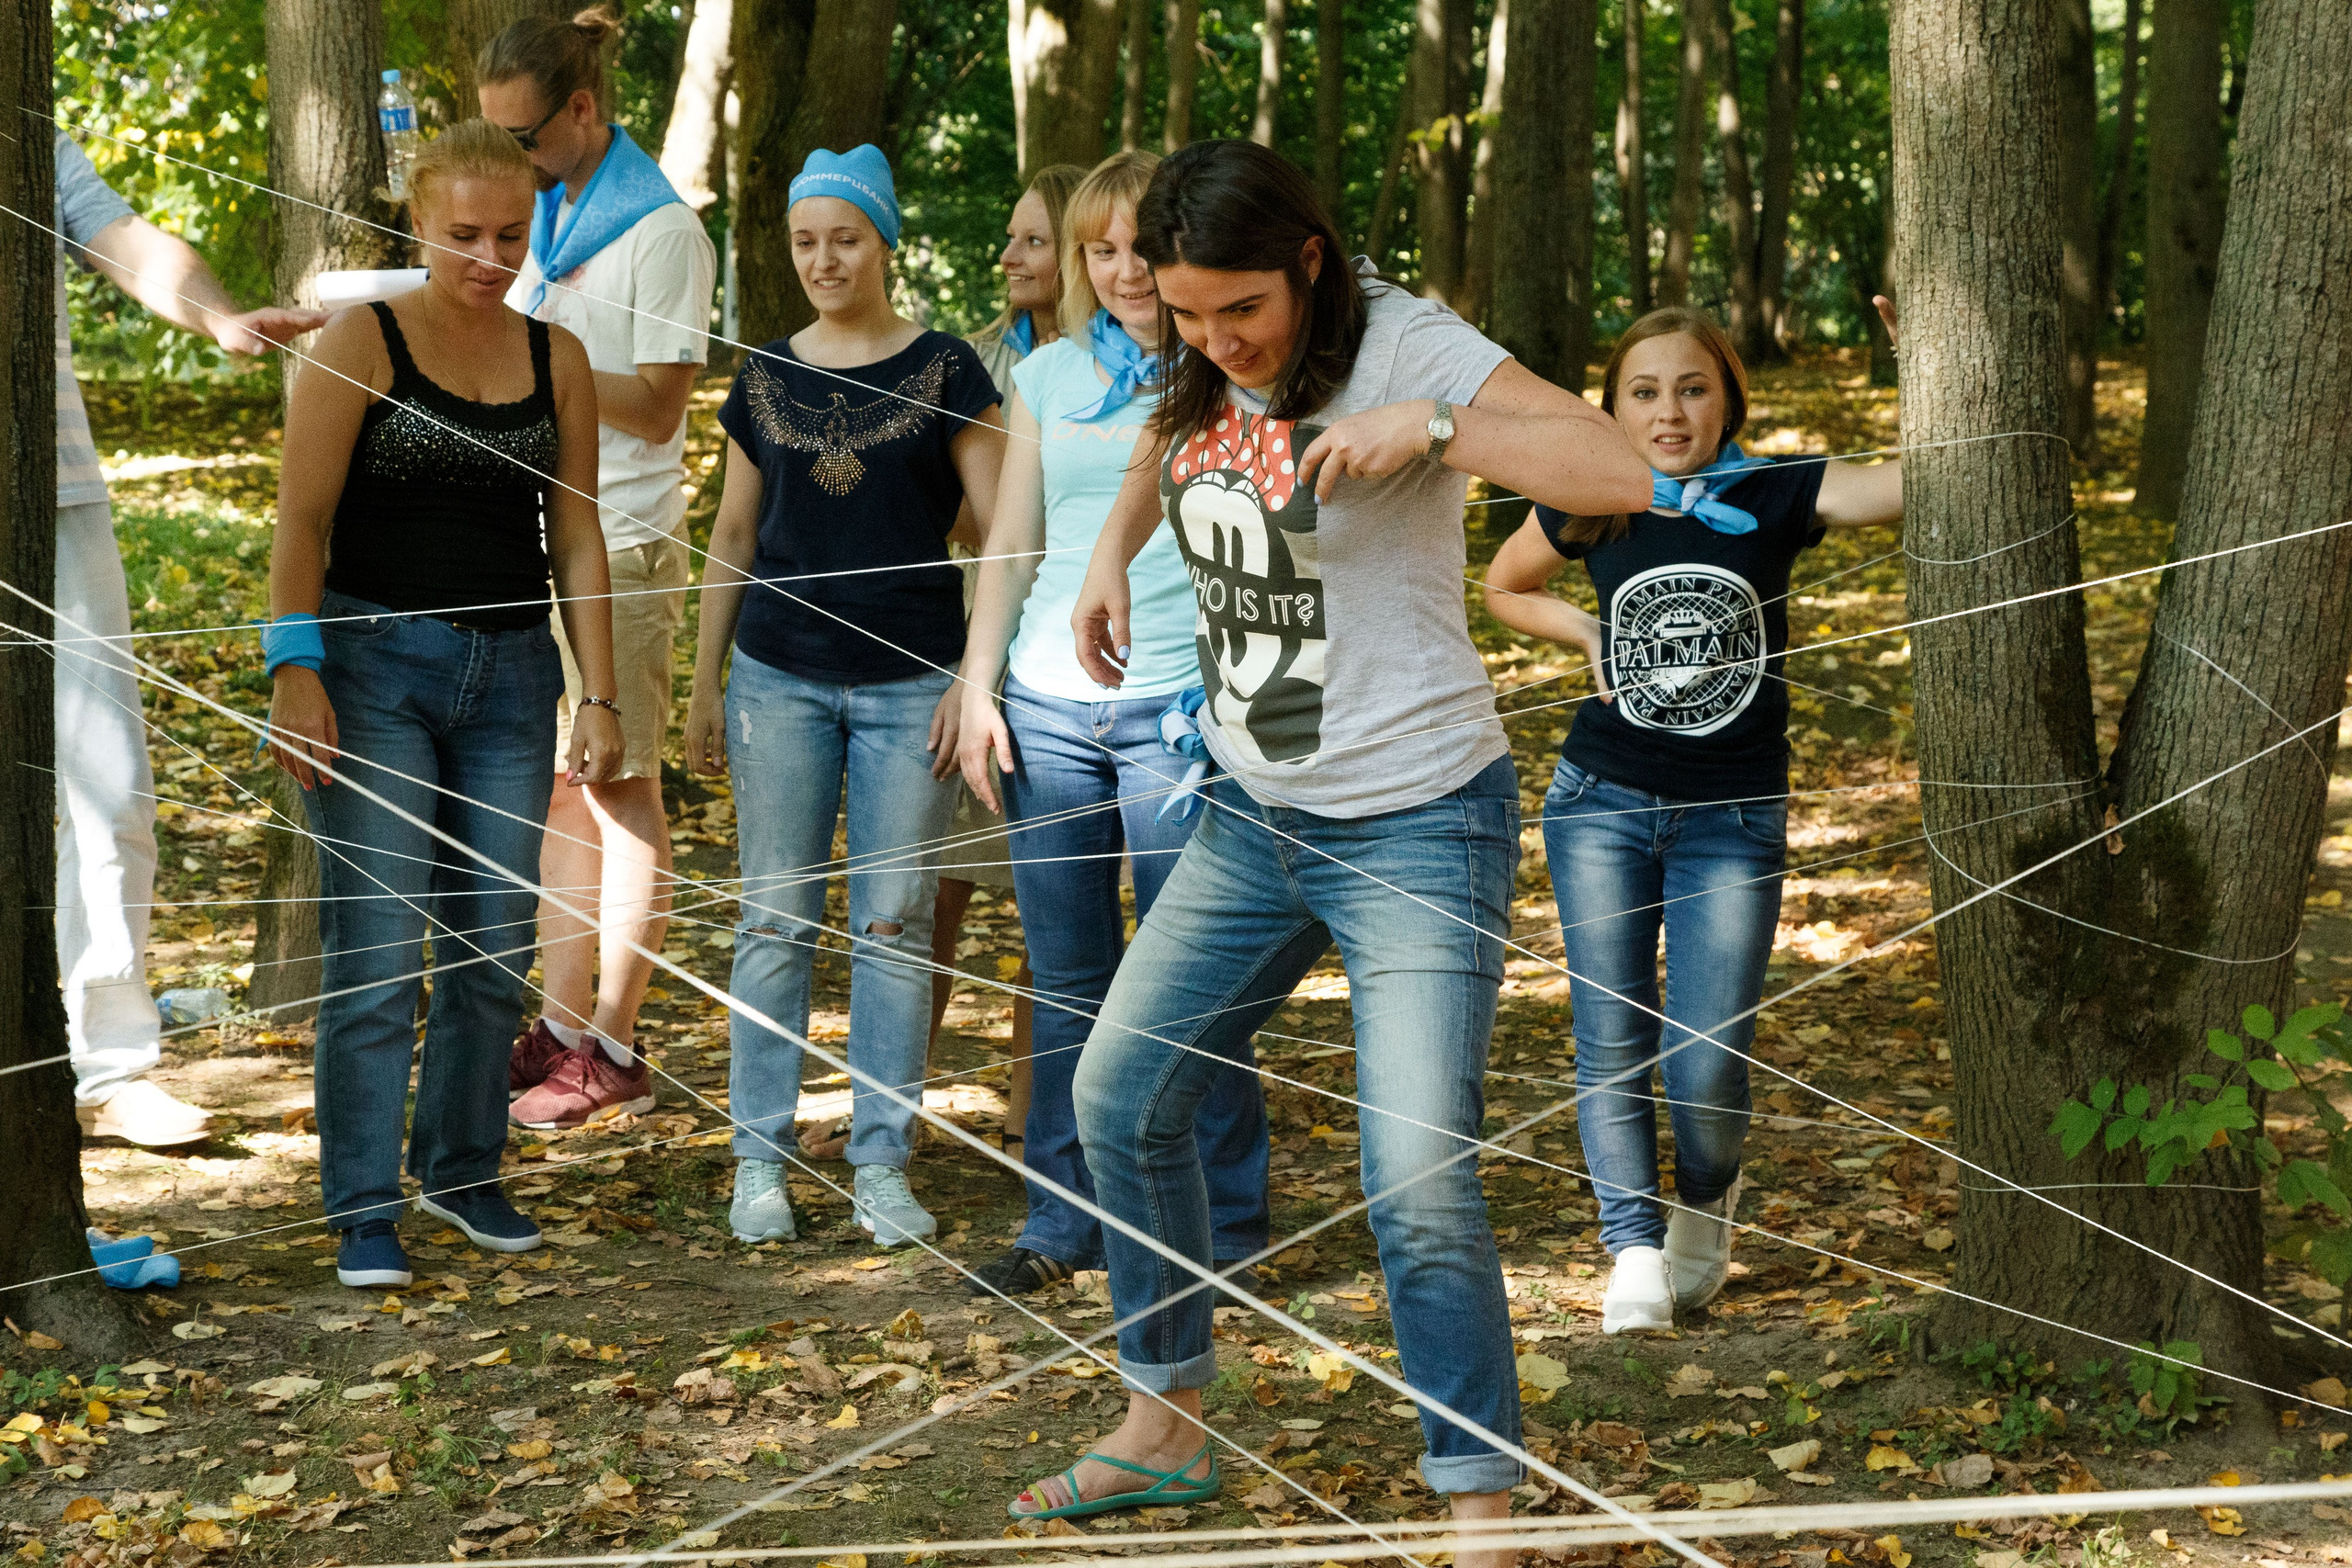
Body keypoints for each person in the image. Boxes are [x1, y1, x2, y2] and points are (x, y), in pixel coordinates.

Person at [1012, 141, 1651, 1543]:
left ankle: (1479, 1509)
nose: (1214, 340)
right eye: (1186, 313)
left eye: (1239, 309)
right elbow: (1171, 429)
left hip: (1420, 819)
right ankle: (1164, 1422)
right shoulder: (1202, 353)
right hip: (1251, 816)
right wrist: (1114, 551)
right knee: (1122, 1096)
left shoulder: (1407, 342)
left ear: (1308, 260)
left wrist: (1434, 425)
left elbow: (1623, 469)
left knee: (1415, 1177)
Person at [1481, 303, 1904, 1334]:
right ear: (1613, 408)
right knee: (1609, 1036)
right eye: (1643, 392)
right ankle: (1631, 1247)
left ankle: (1706, 1201)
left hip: (1733, 818)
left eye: (1691, 388)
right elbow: (1503, 585)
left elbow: (1908, 485)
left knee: (1707, 1058)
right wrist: (1580, 626)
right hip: (1599, 802)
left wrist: (1921, 364)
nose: (1668, 412)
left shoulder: (1776, 490)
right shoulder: (1593, 496)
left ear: (1728, 401)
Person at [263, 120, 624, 1290]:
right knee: (378, 947)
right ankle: (363, 1206)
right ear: (417, 222)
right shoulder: (361, 340)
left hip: (513, 679)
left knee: (493, 942)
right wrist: (293, 668)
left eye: (512, 235)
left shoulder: (556, 355)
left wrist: (598, 690)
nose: (488, 256)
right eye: (463, 233)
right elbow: (301, 519)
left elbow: (576, 530)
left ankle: (462, 1171)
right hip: (373, 671)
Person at [956, 150, 1269, 1299]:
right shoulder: (1044, 375)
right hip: (1049, 712)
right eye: (1102, 251)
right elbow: (1011, 542)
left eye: (1144, 247)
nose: (1126, 271)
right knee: (1066, 975)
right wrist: (978, 686)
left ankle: (1225, 1225)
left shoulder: (1229, 372)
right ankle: (1064, 1217)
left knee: (1195, 980)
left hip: (1182, 717)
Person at [682, 145, 1005, 1251]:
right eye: (805, 242)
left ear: (884, 243)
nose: (825, 260)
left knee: (892, 922)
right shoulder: (764, 374)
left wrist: (977, 677)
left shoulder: (949, 368)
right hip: (777, 678)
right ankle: (757, 1160)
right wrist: (704, 682)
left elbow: (995, 530)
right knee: (774, 917)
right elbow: (733, 532)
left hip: (914, 683)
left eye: (846, 239)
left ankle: (881, 1163)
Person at [798, 166, 1081, 1166]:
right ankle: (890, 1104)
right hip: (966, 648)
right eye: (1010, 236)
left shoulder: (1120, 363)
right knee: (928, 890)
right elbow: (965, 515)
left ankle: (1037, 1118)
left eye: (1033, 240)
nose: (1009, 257)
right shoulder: (975, 360)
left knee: (1057, 902)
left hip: (1069, 656)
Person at [49, 131, 326, 1148]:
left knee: (112, 788)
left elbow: (121, 237)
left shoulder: (26, 125)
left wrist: (217, 315)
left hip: (58, 495)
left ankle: (110, 1068)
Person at [475, 6, 719, 1129]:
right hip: (541, 531)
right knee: (561, 792)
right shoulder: (548, 208)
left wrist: (544, 359)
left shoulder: (662, 232)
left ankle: (616, 1042)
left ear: (581, 108)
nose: (511, 159)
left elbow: (661, 406)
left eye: (522, 137)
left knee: (621, 791)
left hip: (621, 540)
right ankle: (564, 1023)